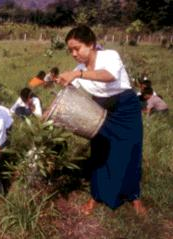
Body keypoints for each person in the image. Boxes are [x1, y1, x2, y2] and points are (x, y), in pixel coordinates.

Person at [55, 25, 146, 215]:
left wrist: (77, 74)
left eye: (77, 48)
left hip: (125, 108)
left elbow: (108, 75)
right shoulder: (79, 68)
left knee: (130, 152)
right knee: (100, 152)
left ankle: (133, 196)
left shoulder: (109, 56)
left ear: (91, 44)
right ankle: (96, 195)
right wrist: (62, 80)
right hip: (100, 111)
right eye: (70, 50)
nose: (73, 53)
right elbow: (71, 85)